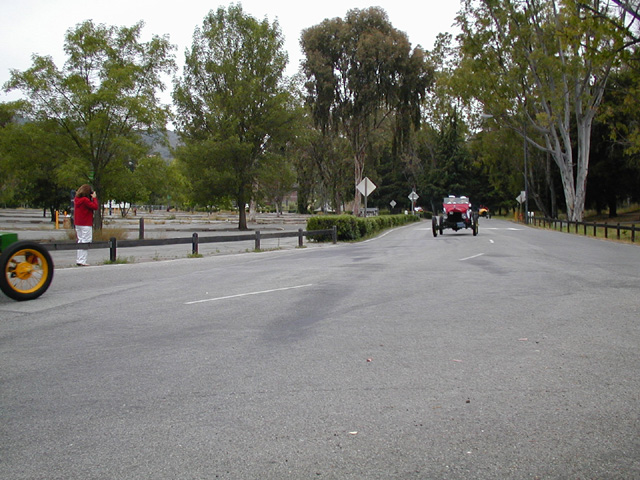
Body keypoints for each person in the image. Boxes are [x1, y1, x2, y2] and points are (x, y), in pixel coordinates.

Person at [73, 184, 98, 266]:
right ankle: (82, 260)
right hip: (86, 223)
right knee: (86, 241)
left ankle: (79, 259)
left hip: (78, 223)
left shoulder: (77, 199)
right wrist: (94, 198)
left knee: (80, 240)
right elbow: (95, 207)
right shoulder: (85, 200)